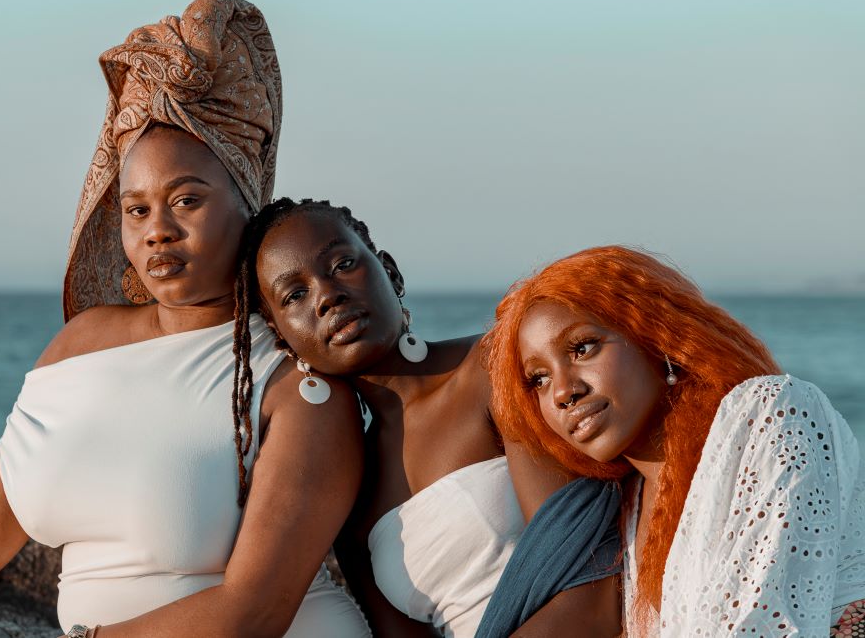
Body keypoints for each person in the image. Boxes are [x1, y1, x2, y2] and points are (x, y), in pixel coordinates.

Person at [0, 0, 371, 638]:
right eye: (136, 210)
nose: (157, 231)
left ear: (246, 201)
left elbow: (254, 610)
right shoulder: (83, 344)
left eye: (186, 200)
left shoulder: (294, 385)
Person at [231, 198, 625, 638]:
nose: (327, 296)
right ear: (283, 338)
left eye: (342, 264)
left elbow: (590, 588)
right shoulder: (351, 489)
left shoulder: (495, 370)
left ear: (390, 272)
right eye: (295, 295)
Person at [484, 245, 865, 636]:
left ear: (657, 335)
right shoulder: (622, 509)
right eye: (539, 379)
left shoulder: (770, 412)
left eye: (582, 348)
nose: (563, 391)